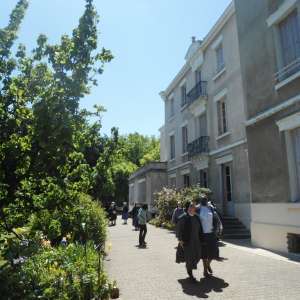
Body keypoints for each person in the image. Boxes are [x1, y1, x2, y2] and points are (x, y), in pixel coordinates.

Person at [177, 202, 203, 282]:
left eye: (193, 208)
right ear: (188, 209)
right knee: (189, 257)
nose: (192, 209)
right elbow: (179, 229)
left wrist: (202, 238)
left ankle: (190, 267)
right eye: (191, 208)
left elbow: (200, 229)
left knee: (198, 255)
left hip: (196, 241)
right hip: (187, 241)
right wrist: (180, 240)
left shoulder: (197, 217)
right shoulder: (183, 217)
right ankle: (190, 274)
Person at [198, 196, 222, 277]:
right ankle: (205, 271)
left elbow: (216, 218)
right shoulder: (198, 209)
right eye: (202, 199)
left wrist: (217, 229)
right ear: (200, 201)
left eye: (205, 199)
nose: (204, 200)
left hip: (211, 234)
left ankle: (208, 264)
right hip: (203, 234)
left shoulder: (211, 208)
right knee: (204, 254)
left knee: (214, 252)